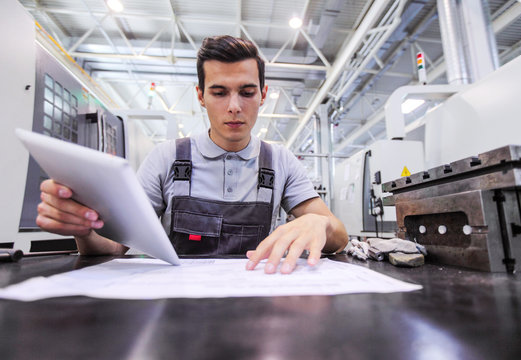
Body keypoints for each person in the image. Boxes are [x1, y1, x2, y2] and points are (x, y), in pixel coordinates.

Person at [36, 35, 348, 274]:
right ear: (200, 95)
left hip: (256, 306)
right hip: (179, 311)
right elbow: (115, 245)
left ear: (263, 95)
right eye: (219, 92)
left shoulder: (281, 162)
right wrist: (84, 228)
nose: (234, 106)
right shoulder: (166, 159)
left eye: (247, 92)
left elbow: (340, 237)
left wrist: (320, 225)